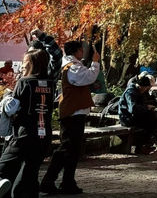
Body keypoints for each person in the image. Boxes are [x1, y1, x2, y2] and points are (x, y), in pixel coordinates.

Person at [40, 41, 100, 195]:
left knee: (72, 150)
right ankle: (49, 180)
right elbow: (86, 78)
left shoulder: (72, 64)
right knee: (66, 148)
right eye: (81, 50)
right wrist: (95, 63)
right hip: (72, 113)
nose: (83, 53)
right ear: (77, 51)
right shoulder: (71, 66)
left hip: (75, 111)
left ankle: (68, 181)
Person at [0, 48, 55, 198]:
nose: (22, 66)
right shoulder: (51, 83)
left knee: (3, 167)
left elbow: (12, 108)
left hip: (24, 134)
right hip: (44, 135)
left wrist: (7, 97)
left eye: (24, 62)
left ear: (31, 63)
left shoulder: (24, 82)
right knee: (30, 175)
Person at [118, 76, 157, 154]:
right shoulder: (130, 92)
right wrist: (146, 107)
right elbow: (133, 109)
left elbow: (142, 104)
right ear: (141, 86)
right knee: (153, 120)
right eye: (145, 88)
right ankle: (142, 146)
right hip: (127, 118)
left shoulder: (139, 91)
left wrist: (154, 102)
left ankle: (146, 144)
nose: (146, 90)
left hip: (135, 116)